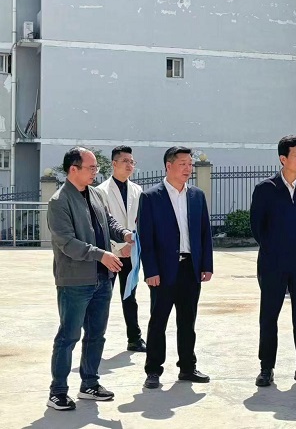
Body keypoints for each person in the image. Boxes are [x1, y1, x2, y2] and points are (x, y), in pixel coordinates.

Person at [46, 147, 133, 411]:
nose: (96, 172)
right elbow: (67, 243)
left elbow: (108, 221)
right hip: (75, 281)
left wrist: (124, 233)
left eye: (96, 167)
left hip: (102, 278)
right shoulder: (59, 201)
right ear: (73, 169)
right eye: (91, 167)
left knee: (96, 335)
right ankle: (58, 391)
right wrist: (101, 254)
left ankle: (90, 384)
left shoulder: (95, 194)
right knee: (68, 336)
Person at [139, 146, 214, 389]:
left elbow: (205, 233)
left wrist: (206, 265)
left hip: (190, 268)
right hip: (162, 270)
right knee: (158, 321)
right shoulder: (151, 197)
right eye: (183, 164)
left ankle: (187, 367)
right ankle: (153, 370)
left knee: (187, 321)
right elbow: (146, 238)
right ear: (168, 166)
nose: (188, 168)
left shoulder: (197, 196)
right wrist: (150, 271)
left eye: (190, 164)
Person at [250, 135, 296, 387]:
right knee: (269, 316)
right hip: (273, 264)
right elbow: (257, 227)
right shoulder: (265, 189)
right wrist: (274, 249)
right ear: (283, 158)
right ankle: (266, 368)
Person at [95, 145, 146, 352]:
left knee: (130, 297)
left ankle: (134, 338)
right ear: (114, 164)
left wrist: (132, 247)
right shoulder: (101, 191)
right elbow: (102, 224)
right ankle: (96, 339)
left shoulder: (137, 190)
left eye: (132, 162)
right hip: (110, 254)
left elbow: (140, 222)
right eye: (125, 161)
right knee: (103, 297)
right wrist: (119, 247)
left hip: (132, 252)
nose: (129, 165)